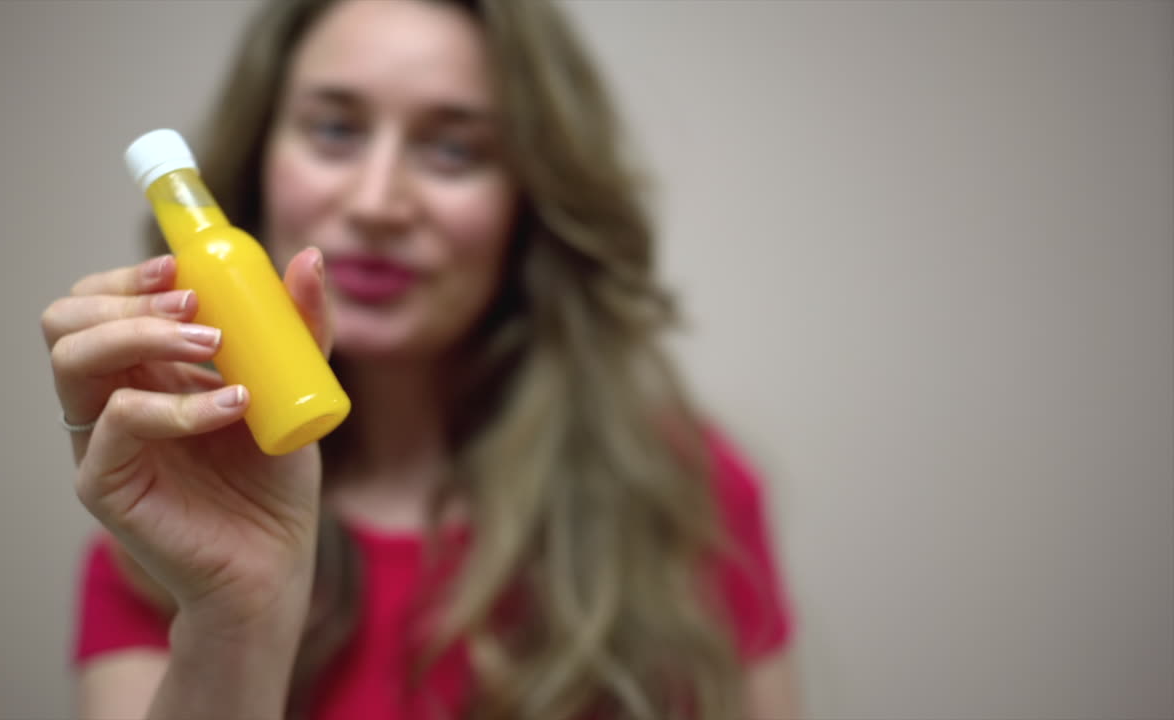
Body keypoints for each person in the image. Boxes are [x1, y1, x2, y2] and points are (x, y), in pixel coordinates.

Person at [42, 0, 801, 718]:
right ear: (258, 164)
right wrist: (238, 619)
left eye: (453, 148)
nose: (377, 202)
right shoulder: (162, 538)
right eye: (335, 131)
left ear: (528, 198)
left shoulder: (685, 494)